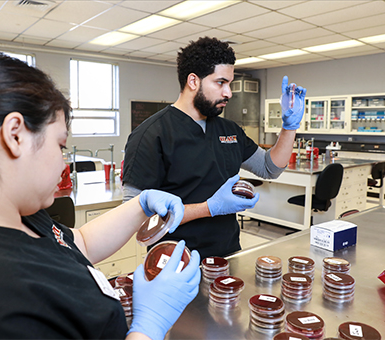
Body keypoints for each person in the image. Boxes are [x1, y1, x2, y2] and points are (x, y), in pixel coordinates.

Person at [0, 54, 201, 340]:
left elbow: (78, 243)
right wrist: (149, 327)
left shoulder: (18, 214)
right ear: (15, 135)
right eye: (60, 145)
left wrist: (139, 206)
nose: (63, 164)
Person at [123, 37, 306, 259]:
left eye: (229, 83)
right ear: (193, 81)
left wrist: (289, 127)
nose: (229, 93)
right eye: (220, 83)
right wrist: (208, 208)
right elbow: (137, 219)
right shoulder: (150, 135)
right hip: (176, 261)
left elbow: (270, 168)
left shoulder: (229, 130)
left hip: (227, 255)